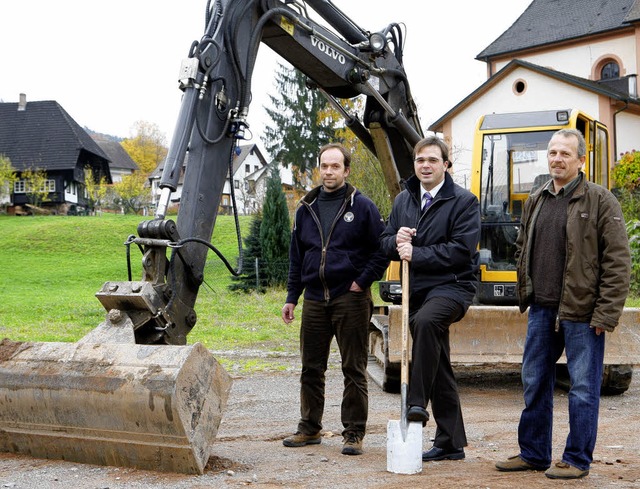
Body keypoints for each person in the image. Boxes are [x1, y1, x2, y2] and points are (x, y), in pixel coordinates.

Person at [495, 129, 631, 479]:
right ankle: (534, 453)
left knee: (583, 389)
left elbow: (618, 263)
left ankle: (575, 459)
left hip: (582, 313)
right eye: (553, 152)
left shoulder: (601, 201)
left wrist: (605, 313)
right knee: (534, 381)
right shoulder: (537, 198)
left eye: (565, 154)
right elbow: (523, 247)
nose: (556, 159)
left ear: (581, 160)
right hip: (542, 308)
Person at [281, 142, 389, 456]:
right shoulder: (305, 208)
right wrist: (292, 297)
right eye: (324, 166)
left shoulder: (363, 206)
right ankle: (310, 428)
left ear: (346, 170)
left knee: (353, 368)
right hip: (314, 298)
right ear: (320, 168)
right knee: (310, 368)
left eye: (335, 166)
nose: (329, 171)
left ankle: (353, 433)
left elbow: (381, 250)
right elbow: (296, 258)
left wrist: (362, 281)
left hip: (350, 299)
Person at [380, 135, 481, 462]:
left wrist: (417, 253)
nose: (425, 165)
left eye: (432, 160)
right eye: (420, 160)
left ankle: (416, 404)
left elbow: (461, 251)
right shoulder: (403, 200)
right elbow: (382, 242)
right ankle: (450, 442)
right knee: (437, 363)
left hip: (454, 286)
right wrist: (395, 239)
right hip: (417, 290)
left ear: (446, 165)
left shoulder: (465, 202)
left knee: (426, 322)